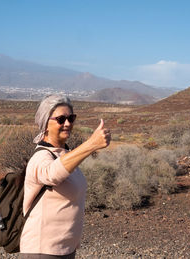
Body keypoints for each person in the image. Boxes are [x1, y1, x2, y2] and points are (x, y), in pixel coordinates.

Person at [20, 94, 111, 259]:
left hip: (64, 249)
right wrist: (91, 144)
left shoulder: (65, 155)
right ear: (45, 123)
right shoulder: (40, 157)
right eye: (61, 119)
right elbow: (51, 174)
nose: (68, 123)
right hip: (42, 250)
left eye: (71, 118)